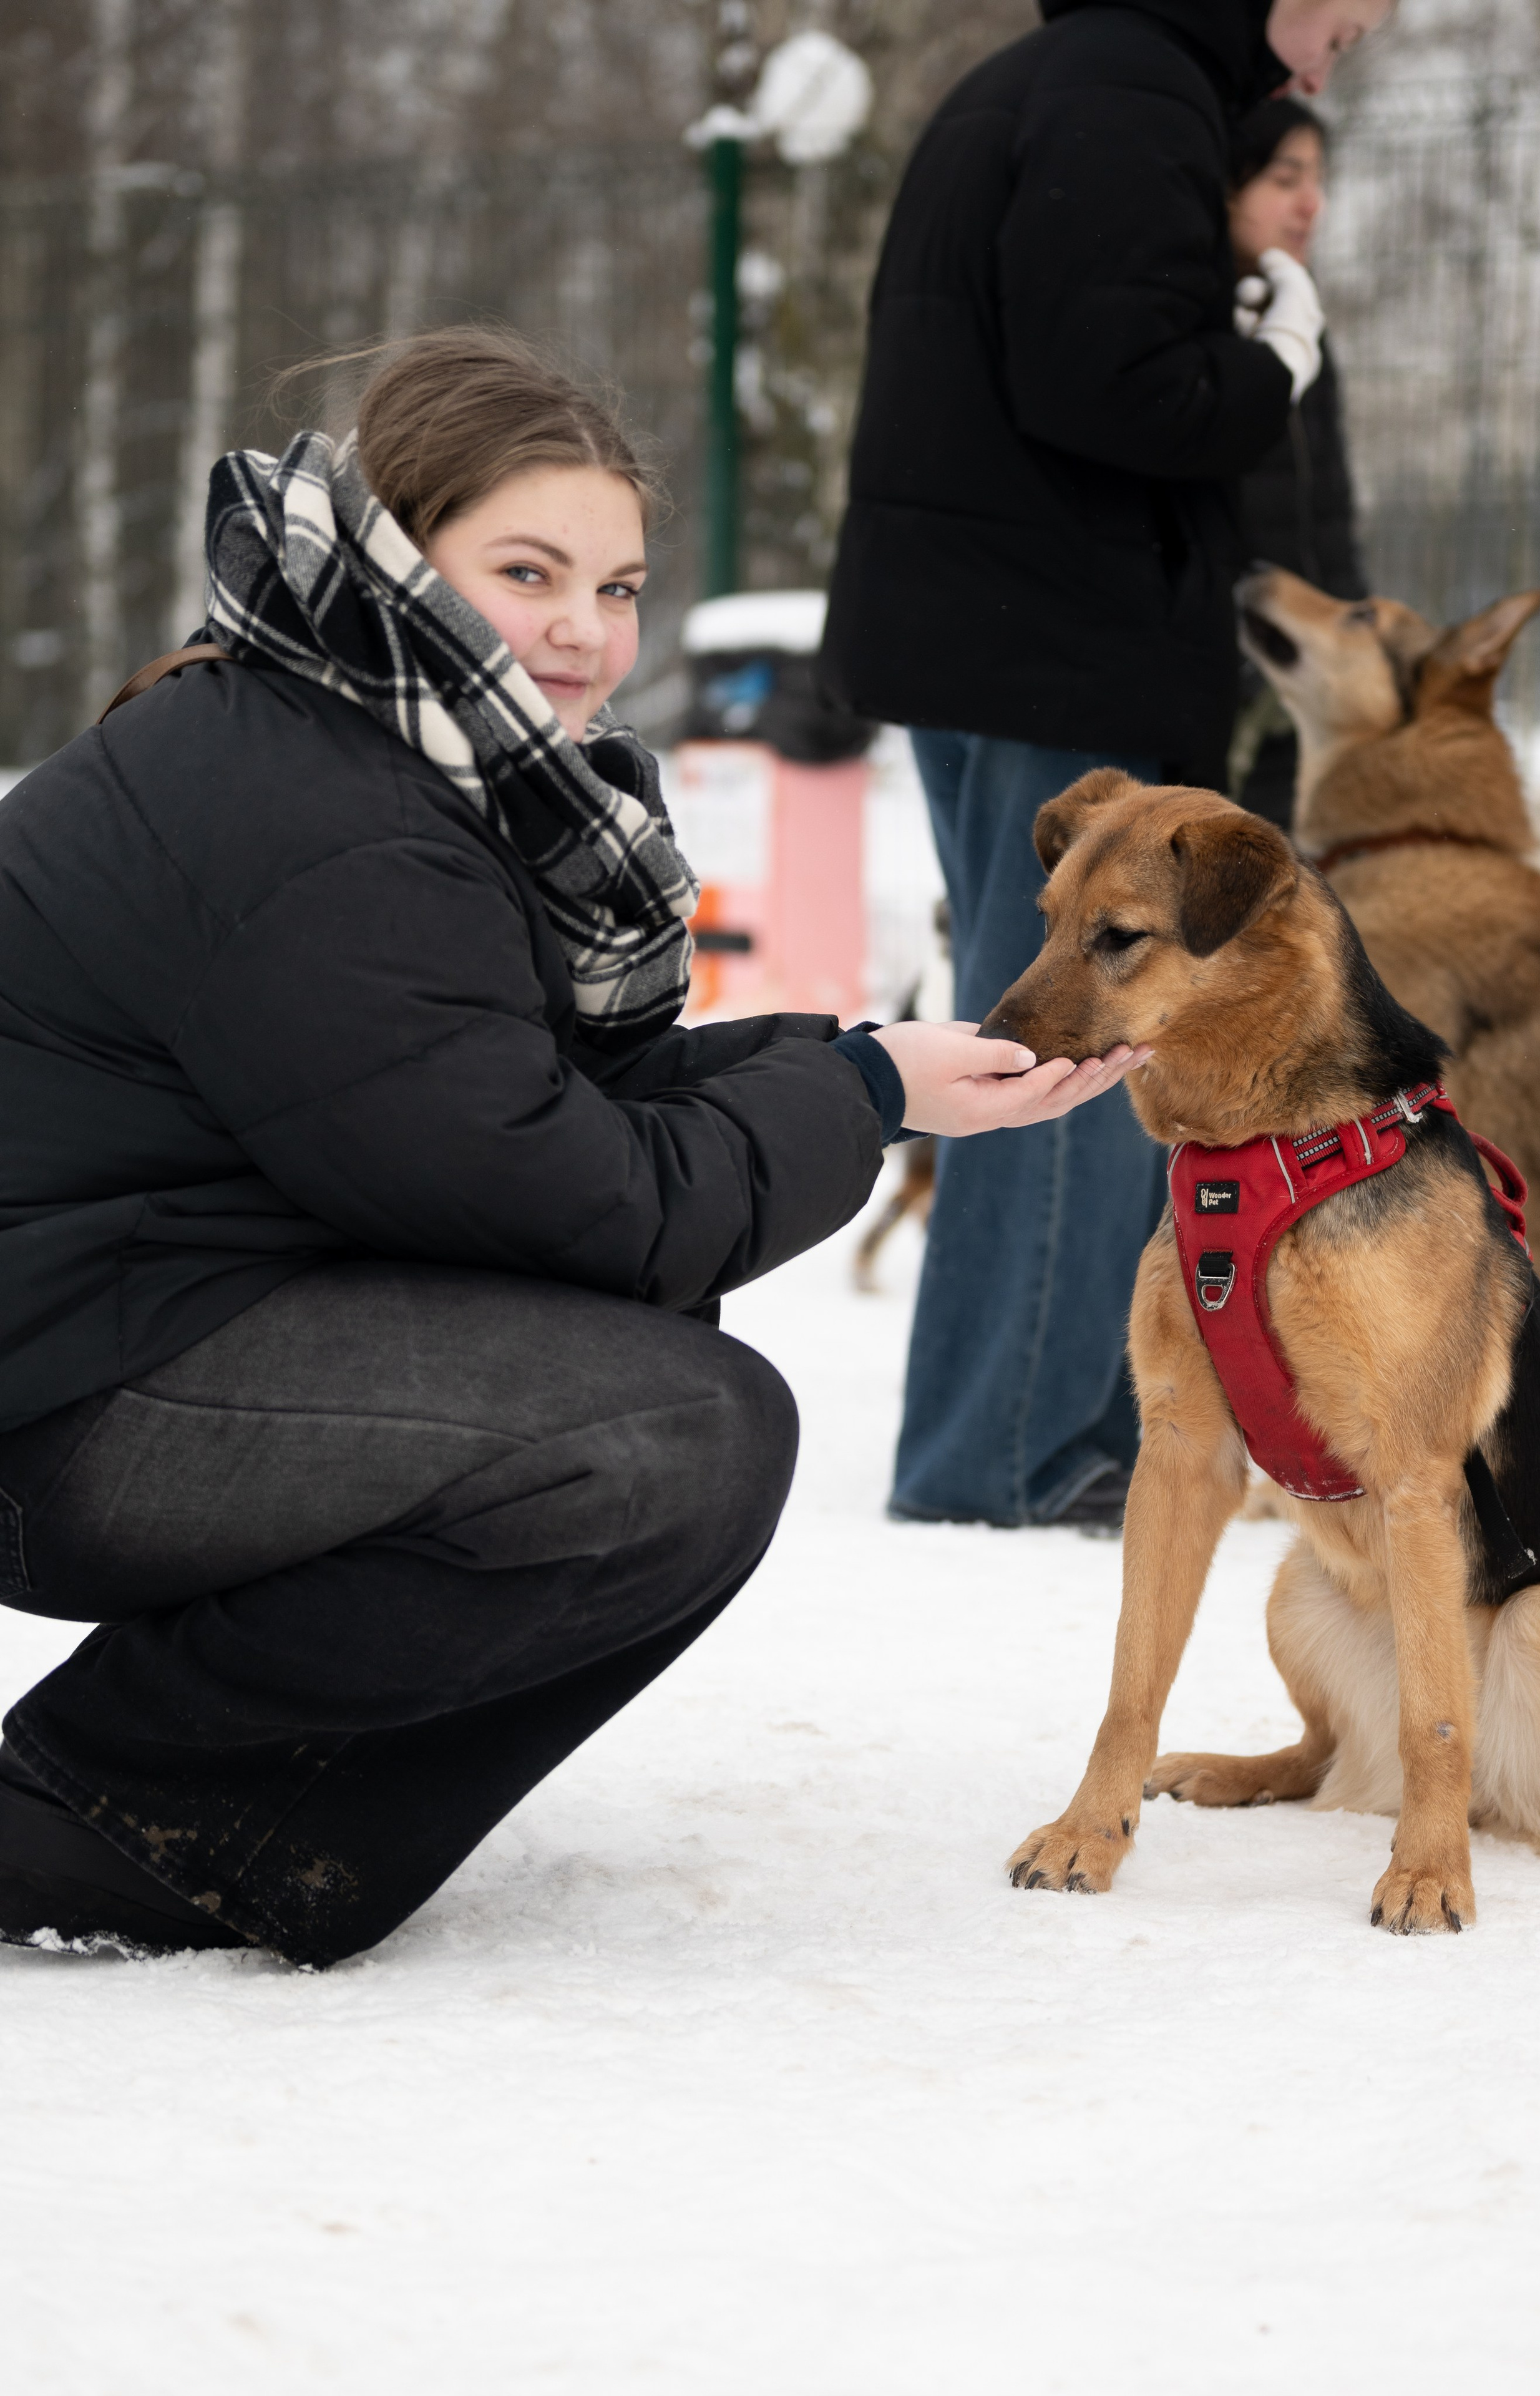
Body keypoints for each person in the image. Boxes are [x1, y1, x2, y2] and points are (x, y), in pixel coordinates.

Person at [0, 328, 1149, 1967]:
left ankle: (228, 1811)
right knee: (663, 1436)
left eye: (617, 589)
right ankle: (104, 1817)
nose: (581, 633)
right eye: (526, 571)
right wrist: (866, 1095)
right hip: (59, 1411)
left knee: (638, 1372)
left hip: (105, 1339)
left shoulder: (351, 739)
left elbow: (495, 1113)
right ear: (403, 552)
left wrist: (857, 1067)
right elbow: (578, 1202)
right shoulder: (331, 821)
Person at [819, 0, 1391, 1531]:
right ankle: (1012, 1458)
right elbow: (1118, 383)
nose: (1367, 19)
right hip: (1050, 638)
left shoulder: (1077, 79)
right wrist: (1263, 360)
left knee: (1043, 1040)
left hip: (1003, 631)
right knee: (1069, 1045)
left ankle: (1006, 1442)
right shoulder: (1128, 94)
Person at [1228, 96, 1368, 830]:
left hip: (1314, 679)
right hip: (1235, 687)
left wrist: (1352, 630)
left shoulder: (1302, 321)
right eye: (1285, 179)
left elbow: (1328, 509)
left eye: (1318, 178)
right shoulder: (1198, 327)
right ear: (1227, 184)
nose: (1310, 204)